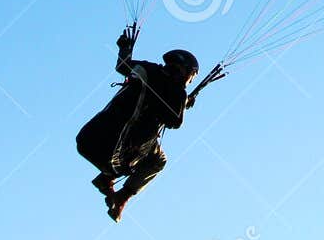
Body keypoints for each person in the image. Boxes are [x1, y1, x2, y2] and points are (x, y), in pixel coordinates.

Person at [75, 23, 224, 222]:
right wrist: (182, 101)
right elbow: (175, 121)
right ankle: (120, 196)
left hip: (87, 139)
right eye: (191, 76)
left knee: (141, 132)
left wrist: (125, 47)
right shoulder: (177, 92)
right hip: (111, 153)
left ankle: (107, 179)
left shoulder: (147, 69)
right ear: (183, 70)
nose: (190, 81)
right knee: (158, 160)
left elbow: (123, 66)